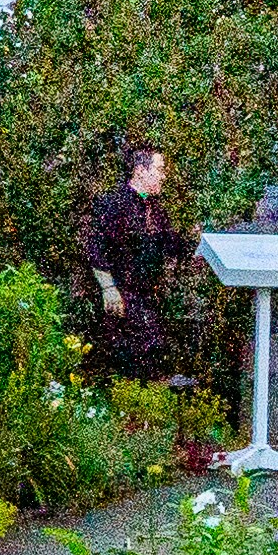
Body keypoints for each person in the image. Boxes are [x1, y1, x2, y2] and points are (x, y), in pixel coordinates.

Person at [77, 141, 187, 381]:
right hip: (120, 297)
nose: (164, 176)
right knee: (127, 362)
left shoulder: (156, 210)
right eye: (159, 169)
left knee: (152, 354)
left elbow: (170, 245)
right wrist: (108, 288)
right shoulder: (115, 204)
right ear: (140, 170)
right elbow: (95, 247)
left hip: (147, 297)